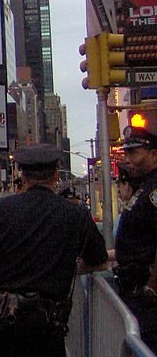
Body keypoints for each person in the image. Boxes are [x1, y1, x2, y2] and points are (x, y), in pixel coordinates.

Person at [0, 145, 108, 357]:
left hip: (0, 320)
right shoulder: (76, 214)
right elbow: (101, 262)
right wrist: (68, 268)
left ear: (22, 176)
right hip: (45, 325)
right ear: (56, 176)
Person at [112, 121, 157, 352]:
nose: (128, 158)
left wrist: (152, 287)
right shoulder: (143, 186)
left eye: (135, 152)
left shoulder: (154, 189)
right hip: (134, 291)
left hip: (147, 296)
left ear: (153, 154)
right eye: (126, 152)